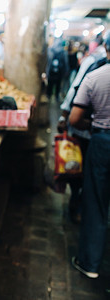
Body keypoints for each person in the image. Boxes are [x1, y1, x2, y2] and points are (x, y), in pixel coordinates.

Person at [69, 32, 110, 279]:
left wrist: (92, 126)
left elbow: (75, 118)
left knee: (95, 202)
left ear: (106, 49)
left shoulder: (95, 77)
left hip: (102, 141)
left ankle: (90, 263)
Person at [57, 42, 107, 223]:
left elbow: (74, 88)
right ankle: (78, 203)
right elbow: (75, 89)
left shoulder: (93, 63)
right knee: (83, 170)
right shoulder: (94, 62)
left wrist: (65, 116)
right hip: (88, 129)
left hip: (89, 130)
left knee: (83, 170)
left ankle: (79, 204)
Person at [46, 38, 69, 102]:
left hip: (52, 71)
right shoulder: (63, 51)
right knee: (57, 84)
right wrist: (66, 71)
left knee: (51, 84)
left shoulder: (50, 50)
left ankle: (49, 95)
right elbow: (65, 62)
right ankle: (56, 96)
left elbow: (48, 62)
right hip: (59, 71)